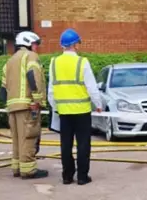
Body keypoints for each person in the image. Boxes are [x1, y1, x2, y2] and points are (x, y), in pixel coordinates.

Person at [48, 28, 102, 186]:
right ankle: (82, 177)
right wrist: (98, 104)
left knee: (66, 145)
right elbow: (92, 87)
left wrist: (55, 107)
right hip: (82, 111)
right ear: (75, 44)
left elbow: (51, 89)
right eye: (79, 42)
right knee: (83, 145)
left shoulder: (54, 62)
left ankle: (67, 176)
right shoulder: (82, 62)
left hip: (64, 112)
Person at [0, 31, 48, 180]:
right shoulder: (30, 56)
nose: (36, 48)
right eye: (35, 44)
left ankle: (17, 167)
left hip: (12, 107)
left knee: (17, 138)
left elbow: (2, 89)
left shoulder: (10, 61)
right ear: (28, 43)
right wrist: (37, 100)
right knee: (29, 137)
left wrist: (9, 104)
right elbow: (33, 77)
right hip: (28, 105)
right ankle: (28, 170)